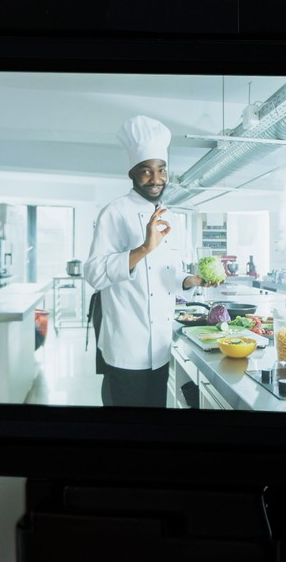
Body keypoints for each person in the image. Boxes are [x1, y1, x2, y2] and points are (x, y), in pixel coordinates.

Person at [84, 115, 204, 408]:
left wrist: (190, 281)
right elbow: (94, 274)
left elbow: (169, 276)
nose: (156, 178)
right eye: (146, 171)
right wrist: (144, 248)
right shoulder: (114, 213)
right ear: (132, 174)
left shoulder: (172, 217)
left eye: (161, 170)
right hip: (125, 345)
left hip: (160, 346)